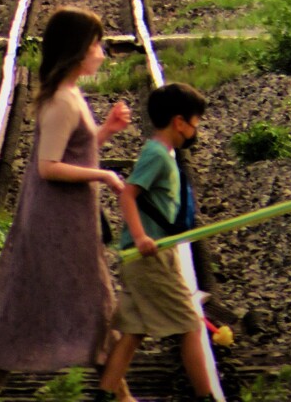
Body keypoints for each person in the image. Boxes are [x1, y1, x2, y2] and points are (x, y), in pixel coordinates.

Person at [0, 6, 132, 402]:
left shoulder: (71, 93)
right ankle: (122, 397)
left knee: (72, 309)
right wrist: (105, 175)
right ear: (77, 49)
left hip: (67, 222)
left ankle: (121, 396)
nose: (102, 52)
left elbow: (74, 153)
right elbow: (49, 167)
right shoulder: (61, 100)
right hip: (56, 226)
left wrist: (104, 131)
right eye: (96, 44)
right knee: (93, 308)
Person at [94, 82, 215, 402]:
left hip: (145, 258)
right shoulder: (157, 155)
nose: (194, 130)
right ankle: (205, 397)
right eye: (194, 123)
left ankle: (105, 395)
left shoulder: (165, 154)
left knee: (133, 332)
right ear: (179, 122)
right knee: (190, 325)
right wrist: (141, 236)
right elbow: (129, 196)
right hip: (150, 257)